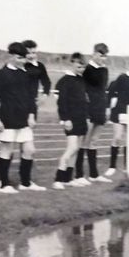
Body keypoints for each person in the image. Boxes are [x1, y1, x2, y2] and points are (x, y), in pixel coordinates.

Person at [0, 42, 44, 193]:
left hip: (24, 119)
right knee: (7, 150)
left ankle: (25, 183)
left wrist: (32, 115)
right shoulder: (1, 75)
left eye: (24, 58)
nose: (22, 61)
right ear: (11, 56)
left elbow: (30, 97)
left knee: (29, 150)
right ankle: (4, 183)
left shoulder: (25, 74)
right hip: (7, 118)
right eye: (19, 58)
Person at [53, 52, 88, 190]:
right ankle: (58, 178)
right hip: (71, 120)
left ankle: (68, 179)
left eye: (83, 67)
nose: (81, 69)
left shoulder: (81, 80)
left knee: (76, 150)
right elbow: (61, 103)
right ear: (72, 63)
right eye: (79, 66)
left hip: (81, 119)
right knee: (71, 148)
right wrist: (65, 119)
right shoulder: (65, 81)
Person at [76, 43, 109, 185]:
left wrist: (106, 108)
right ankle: (79, 175)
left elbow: (103, 90)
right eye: (101, 55)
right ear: (94, 54)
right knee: (84, 141)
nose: (103, 58)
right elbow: (80, 89)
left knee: (94, 141)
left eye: (105, 56)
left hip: (100, 108)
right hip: (88, 110)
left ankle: (94, 174)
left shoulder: (105, 70)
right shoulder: (87, 69)